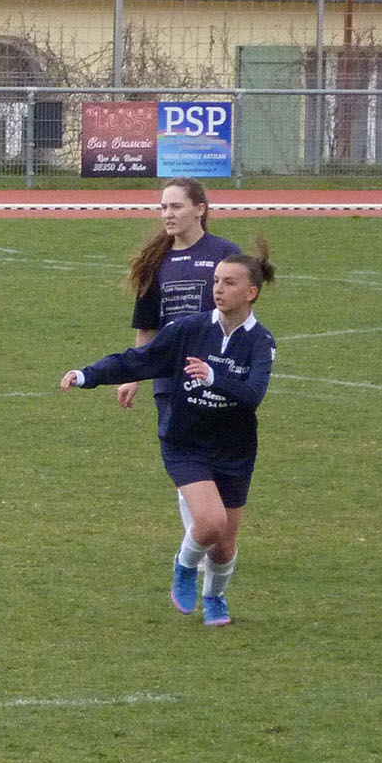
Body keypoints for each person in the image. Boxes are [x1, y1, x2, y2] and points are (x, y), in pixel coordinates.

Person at [61, 244, 277, 627]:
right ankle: (184, 565)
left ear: (251, 292)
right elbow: (138, 360)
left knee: (224, 547)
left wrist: (213, 377)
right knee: (210, 523)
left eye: (229, 282)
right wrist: (87, 375)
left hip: (234, 449)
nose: (218, 288)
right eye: (216, 281)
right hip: (186, 442)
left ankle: (215, 598)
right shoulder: (190, 329)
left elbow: (252, 395)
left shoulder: (261, 341)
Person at [118, 180, 240, 534]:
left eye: (175, 207)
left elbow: (242, 313)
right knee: (187, 464)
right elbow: (147, 327)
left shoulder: (224, 253)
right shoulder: (156, 262)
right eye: (163, 208)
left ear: (200, 209)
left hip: (219, 377)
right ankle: (198, 541)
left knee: (219, 461)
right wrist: (133, 375)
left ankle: (214, 540)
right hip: (171, 382)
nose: (167, 215)